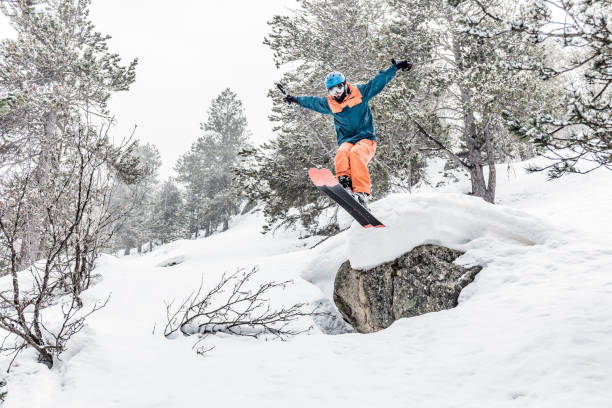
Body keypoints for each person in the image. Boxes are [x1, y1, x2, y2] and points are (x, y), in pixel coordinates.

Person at [283, 59, 412, 209]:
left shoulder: (360, 92)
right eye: (331, 90)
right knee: (342, 153)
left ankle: (362, 193)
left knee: (356, 154)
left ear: (344, 84)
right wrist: (296, 100)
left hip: (366, 139)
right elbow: (312, 102)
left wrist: (395, 68)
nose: (336, 93)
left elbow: (378, 81)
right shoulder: (330, 104)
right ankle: (345, 184)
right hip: (347, 140)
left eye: (338, 88)